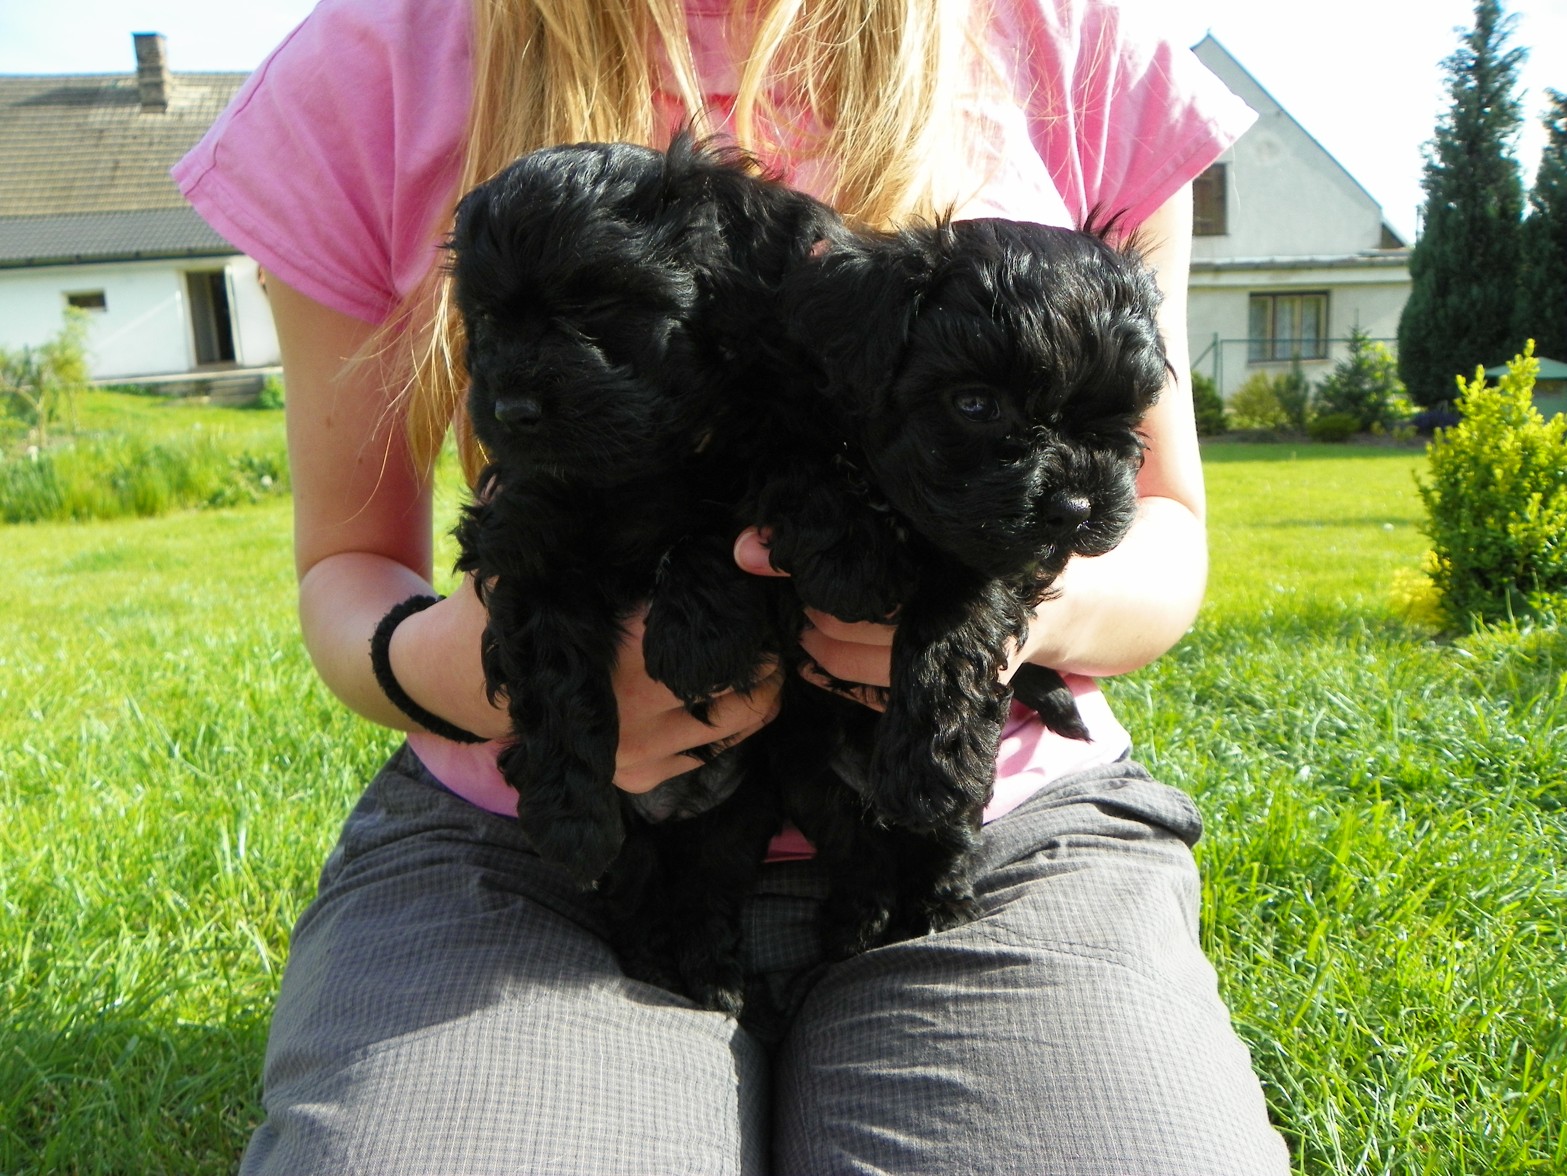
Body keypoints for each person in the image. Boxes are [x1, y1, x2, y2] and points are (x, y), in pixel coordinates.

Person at [176, 0, 1291, 1171]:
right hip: (529, 836)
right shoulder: (370, 61)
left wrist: (986, 618)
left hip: (987, 822)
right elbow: (348, 562)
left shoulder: (1072, 33)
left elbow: (1157, 521)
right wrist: (490, 677)